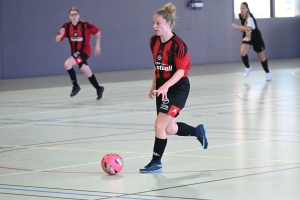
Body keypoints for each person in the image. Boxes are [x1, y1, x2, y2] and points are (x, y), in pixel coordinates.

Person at [139, 3, 209, 173]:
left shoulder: (178, 45)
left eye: (158, 23)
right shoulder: (153, 41)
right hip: (162, 88)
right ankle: (198, 132)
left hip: (177, 89)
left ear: (168, 24)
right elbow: (158, 66)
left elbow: (181, 71)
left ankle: (156, 162)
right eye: (153, 23)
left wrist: (165, 87)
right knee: (169, 128)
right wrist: (154, 86)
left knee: (159, 126)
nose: (154, 26)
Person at [55, 7, 104, 100]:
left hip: (84, 52)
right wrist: (60, 35)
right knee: (87, 71)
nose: (74, 16)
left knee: (67, 64)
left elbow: (98, 32)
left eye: (75, 14)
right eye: (72, 15)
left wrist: (97, 45)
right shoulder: (66, 27)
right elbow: (57, 39)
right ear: (69, 16)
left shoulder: (85, 25)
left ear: (79, 15)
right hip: (76, 54)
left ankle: (75, 86)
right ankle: (99, 88)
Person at [231, 2, 271, 81]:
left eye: (243, 8)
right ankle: (248, 67)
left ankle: (268, 73)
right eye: (241, 8)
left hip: (255, 37)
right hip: (248, 36)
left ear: (247, 9)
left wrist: (238, 27)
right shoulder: (242, 16)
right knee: (242, 53)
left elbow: (249, 28)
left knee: (261, 56)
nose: (242, 10)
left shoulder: (250, 18)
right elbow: (246, 27)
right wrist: (242, 29)